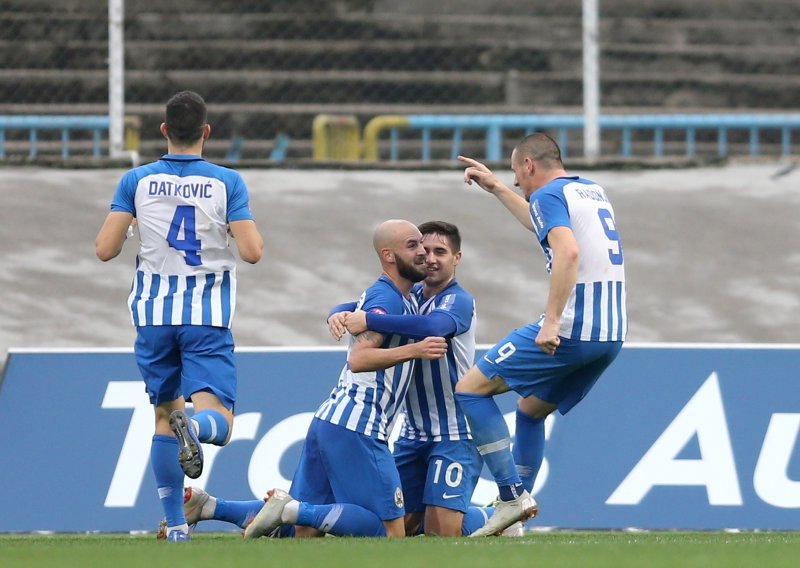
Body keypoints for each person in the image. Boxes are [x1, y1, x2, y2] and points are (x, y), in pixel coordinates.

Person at [95, 90, 264, 542]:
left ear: (164, 131)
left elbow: (105, 250)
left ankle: (175, 526)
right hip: (205, 314)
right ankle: (197, 424)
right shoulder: (227, 182)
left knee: (162, 416)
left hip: (153, 315)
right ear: (207, 132)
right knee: (220, 424)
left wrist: (135, 224)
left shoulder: (136, 180)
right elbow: (251, 253)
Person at [453, 133, 626, 537]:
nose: (516, 182)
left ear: (529, 165)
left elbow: (567, 252)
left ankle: (511, 496)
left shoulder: (549, 195)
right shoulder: (589, 190)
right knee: (530, 412)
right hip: (612, 332)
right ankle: (513, 520)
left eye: (515, 173)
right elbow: (541, 221)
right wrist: (494, 188)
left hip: (574, 328)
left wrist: (551, 322)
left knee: (470, 389)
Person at [244, 219, 448, 539]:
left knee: (305, 534)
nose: (423, 251)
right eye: (413, 245)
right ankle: (288, 509)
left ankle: (211, 506)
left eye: (421, 243)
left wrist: (337, 309)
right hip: (358, 423)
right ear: (389, 255)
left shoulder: (396, 294)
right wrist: (416, 350)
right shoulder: (388, 299)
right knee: (391, 532)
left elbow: (360, 315)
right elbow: (359, 359)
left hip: (333, 419)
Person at [335, 221, 501, 537]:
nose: (432, 258)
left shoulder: (458, 300)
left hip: (454, 432)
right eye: (426, 250)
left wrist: (367, 319)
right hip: (412, 434)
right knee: (396, 528)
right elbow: (362, 302)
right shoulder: (409, 294)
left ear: (457, 258)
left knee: (441, 535)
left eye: (441, 252)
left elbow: (435, 327)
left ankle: (493, 516)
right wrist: (337, 311)